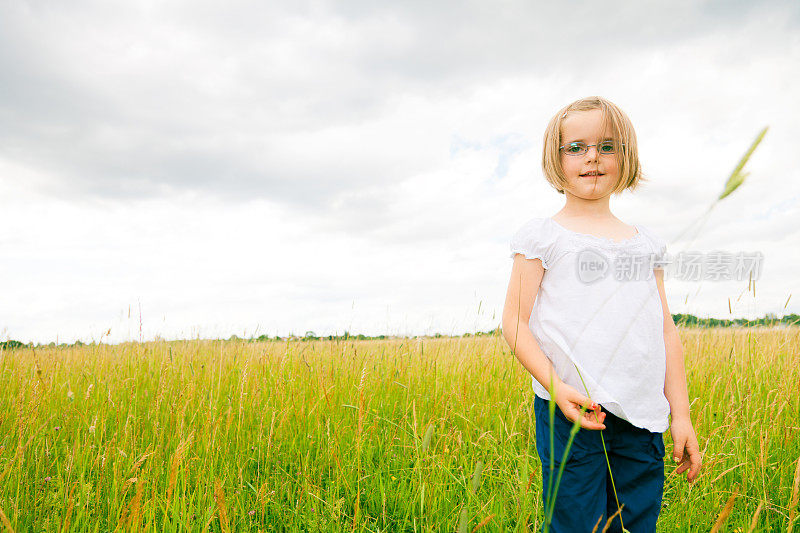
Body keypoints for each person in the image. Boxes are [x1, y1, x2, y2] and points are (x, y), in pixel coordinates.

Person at [501, 96, 702, 532]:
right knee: (576, 523)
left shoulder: (644, 243)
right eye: (575, 147)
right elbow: (513, 324)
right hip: (571, 409)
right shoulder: (542, 237)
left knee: (635, 522)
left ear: (625, 156)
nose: (592, 157)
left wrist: (680, 414)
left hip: (642, 415)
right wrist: (556, 389)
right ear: (555, 159)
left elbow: (664, 329)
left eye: (606, 146)